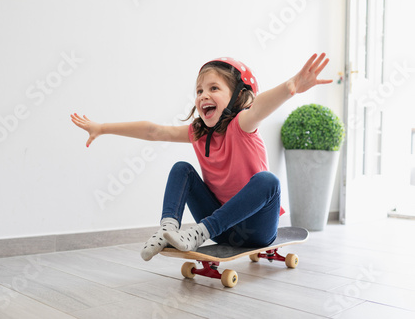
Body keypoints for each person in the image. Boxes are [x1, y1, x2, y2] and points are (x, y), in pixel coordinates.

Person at [71, 53, 332, 261]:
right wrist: (102, 128)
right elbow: (153, 131)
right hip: (220, 230)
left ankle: (198, 232)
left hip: (256, 230)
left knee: (268, 181)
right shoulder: (198, 133)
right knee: (181, 168)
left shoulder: (242, 124)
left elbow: (261, 106)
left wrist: (292, 86)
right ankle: (168, 229)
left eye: (213, 88)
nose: (203, 95)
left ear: (239, 97)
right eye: (198, 91)